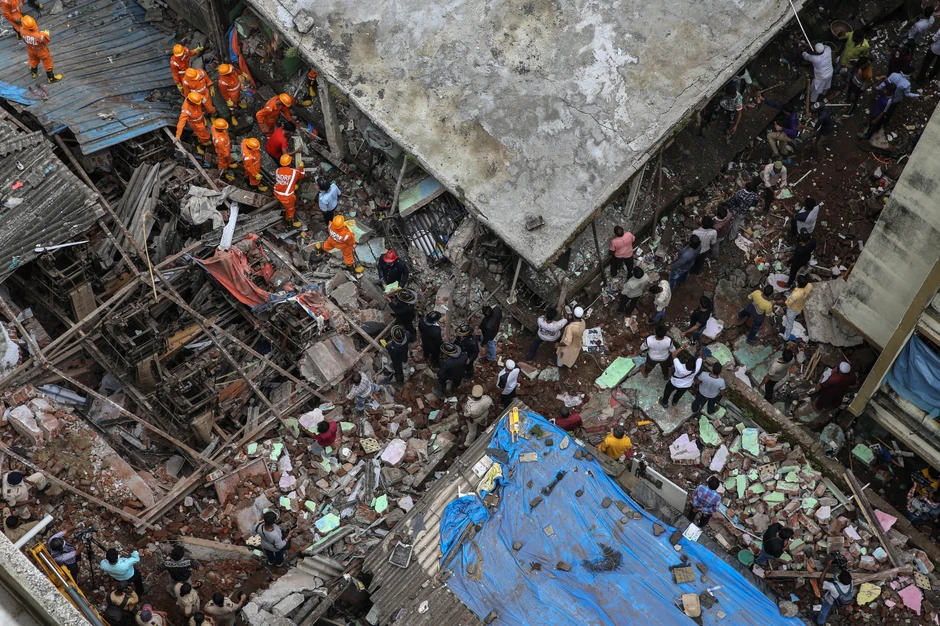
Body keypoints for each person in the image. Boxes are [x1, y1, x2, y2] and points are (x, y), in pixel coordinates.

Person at [20, 16, 62, 83]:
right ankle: (51, 78)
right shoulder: (40, 36)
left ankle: (34, 73)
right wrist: (46, 34)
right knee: (47, 63)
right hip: (41, 51)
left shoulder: (22, 31)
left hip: (30, 49)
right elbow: (46, 41)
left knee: (33, 60)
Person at [816, 560, 854, 625]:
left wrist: (827, 567)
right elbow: (845, 574)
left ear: (839, 580)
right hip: (843, 597)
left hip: (831, 600)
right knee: (836, 574)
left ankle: (820, 622)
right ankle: (836, 609)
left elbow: (821, 581)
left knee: (824, 610)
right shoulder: (850, 582)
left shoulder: (833, 587)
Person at [274, 154, 304, 227]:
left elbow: (284, 180)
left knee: (292, 186)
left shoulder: (278, 170)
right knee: (290, 209)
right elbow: (302, 175)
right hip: (286, 197)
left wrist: (293, 186)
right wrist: (301, 167)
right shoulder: (294, 172)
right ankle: (290, 222)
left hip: (276, 192)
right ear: (290, 163)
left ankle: (283, 205)